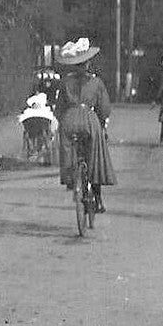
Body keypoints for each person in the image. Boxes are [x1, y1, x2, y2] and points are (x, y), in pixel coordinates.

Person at [54, 38, 116, 212]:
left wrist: (63, 121)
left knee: (69, 149)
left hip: (69, 119)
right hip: (89, 120)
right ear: (87, 64)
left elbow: (59, 109)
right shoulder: (96, 83)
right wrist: (102, 125)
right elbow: (104, 109)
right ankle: (98, 199)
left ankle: (72, 180)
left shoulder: (66, 81)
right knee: (95, 158)